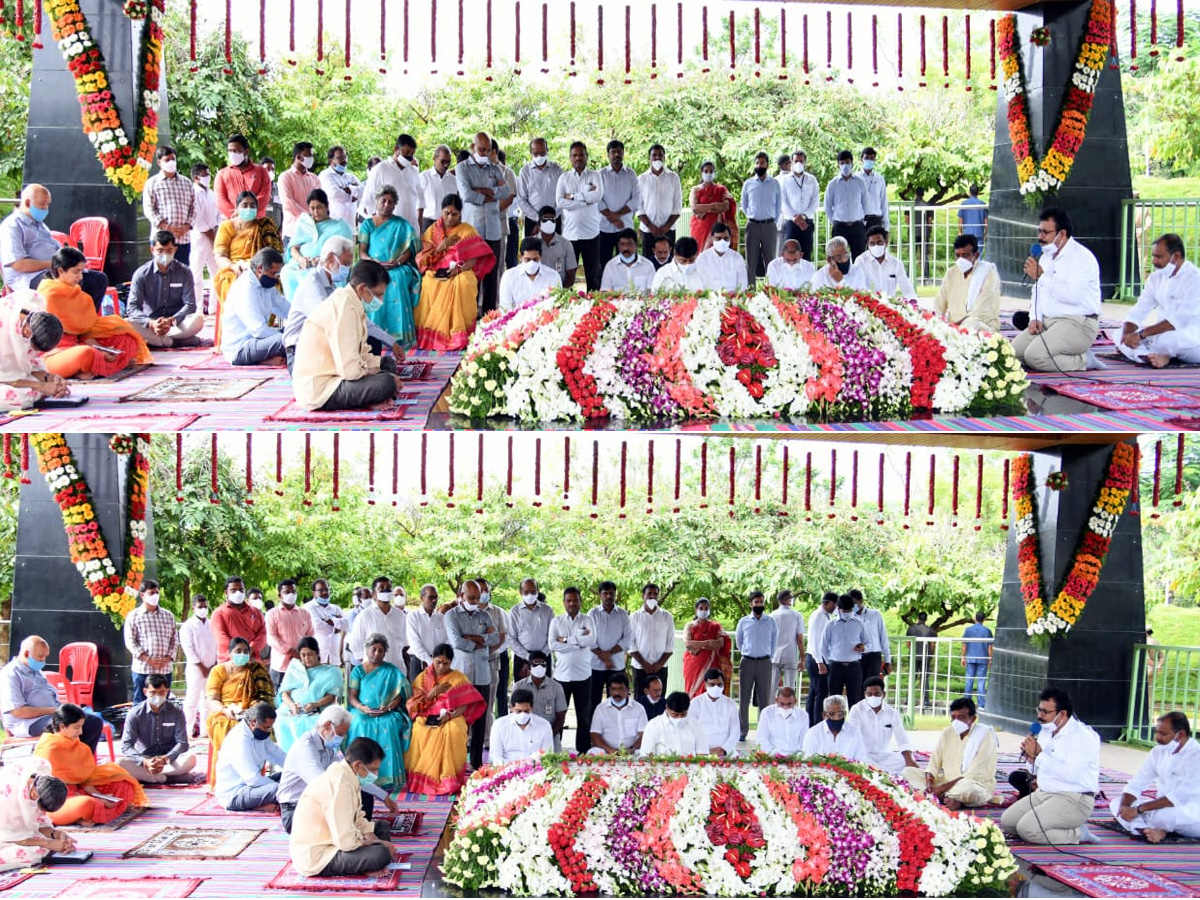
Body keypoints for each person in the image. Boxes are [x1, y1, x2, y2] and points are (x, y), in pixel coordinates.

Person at [293, 261, 402, 413]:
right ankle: (371, 399)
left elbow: (362, 352)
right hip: (322, 389)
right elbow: (350, 370)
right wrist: (377, 374)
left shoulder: (351, 302)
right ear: (362, 288)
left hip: (337, 375)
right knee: (387, 383)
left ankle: (373, 396)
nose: (381, 300)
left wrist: (377, 368)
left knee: (387, 364)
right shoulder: (345, 308)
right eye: (378, 294)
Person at [1001, 687, 1101, 845]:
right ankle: (1057, 827)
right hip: (1045, 792)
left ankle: (1077, 833)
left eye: (1045, 712)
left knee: (1027, 829)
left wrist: (1039, 756)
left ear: (1062, 714)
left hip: (1074, 798)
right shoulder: (1046, 731)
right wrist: (1030, 758)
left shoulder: (1083, 737)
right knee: (1008, 822)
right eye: (1039, 710)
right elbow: (1038, 768)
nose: (1039, 716)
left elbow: (1070, 775)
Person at [38, 247, 153, 379]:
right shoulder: (47, 295)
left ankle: (88, 368)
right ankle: (92, 366)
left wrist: (101, 349)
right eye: (76, 272)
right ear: (60, 271)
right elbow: (44, 341)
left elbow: (85, 332)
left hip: (79, 344)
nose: (80, 277)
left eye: (82, 271)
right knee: (85, 354)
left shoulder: (81, 296)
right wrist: (92, 350)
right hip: (54, 352)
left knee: (127, 339)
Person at [289, 736, 396, 877]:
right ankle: (367, 865)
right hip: (319, 855)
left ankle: (368, 862)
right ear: (358, 765)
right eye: (372, 769)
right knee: (380, 853)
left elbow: (357, 818)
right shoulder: (341, 785)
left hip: (334, 838)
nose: (375, 774)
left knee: (381, 826)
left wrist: (374, 839)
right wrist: (373, 843)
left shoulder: (346, 774)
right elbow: (346, 841)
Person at [278, 705, 394, 834]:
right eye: (340, 734)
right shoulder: (305, 748)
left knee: (362, 793)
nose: (342, 738)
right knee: (345, 799)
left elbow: (350, 773)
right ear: (327, 725)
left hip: (318, 803)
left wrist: (384, 797)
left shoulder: (327, 747)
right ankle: (353, 834)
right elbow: (321, 786)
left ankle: (358, 831)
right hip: (297, 810)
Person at [1013, 207, 1103, 373]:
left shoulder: (1082, 258)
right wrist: (1035, 318)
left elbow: (1073, 296)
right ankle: (1060, 354)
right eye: (1039, 231)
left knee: (1035, 357)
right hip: (1048, 321)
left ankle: (1084, 360)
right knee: (1012, 356)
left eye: (1045, 233)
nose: (1040, 237)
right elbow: (1037, 292)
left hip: (1078, 323)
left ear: (1062, 234)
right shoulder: (1047, 256)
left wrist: (1042, 276)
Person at [35, 704, 147, 826]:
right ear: (62, 726)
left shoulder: (78, 745)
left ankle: (90, 813)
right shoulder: (48, 749)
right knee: (86, 804)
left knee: (124, 785)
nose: (81, 732)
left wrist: (100, 796)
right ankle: (87, 813)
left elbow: (85, 779)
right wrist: (91, 798)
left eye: (81, 727)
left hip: (81, 792)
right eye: (77, 728)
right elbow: (44, 792)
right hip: (58, 801)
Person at [1, 184, 108, 306]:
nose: (46, 208)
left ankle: (85, 319)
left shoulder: (40, 225)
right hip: (29, 278)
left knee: (98, 279)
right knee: (70, 280)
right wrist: (54, 264)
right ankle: (66, 321)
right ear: (27, 202)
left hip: (55, 269)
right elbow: (18, 264)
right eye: (42, 204)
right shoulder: (12, 226)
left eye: (48, 204)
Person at [414, 194, 497, 350]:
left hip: (460, 270)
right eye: (447, 213)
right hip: (437, 270)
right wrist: (442, 246)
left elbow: (474, 259)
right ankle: (435, 336)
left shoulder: (467, 230)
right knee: (428, 282)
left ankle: (460, 333)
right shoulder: (433, 230)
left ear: (461, 214)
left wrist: (458, 270)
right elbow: (424, 259)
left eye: (454, 214)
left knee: (464, 282)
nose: (450, 217)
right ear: (441, 211)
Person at [283, 235, 376, 374]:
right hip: (302, 352)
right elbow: (328, 322)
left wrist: (391, 342)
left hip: (322, 345)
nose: (347, 268)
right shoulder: (312, 285)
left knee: (373, 343)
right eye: (346, 263)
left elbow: (357, 316)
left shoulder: (331, 286)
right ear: (332, 258)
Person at [405, 644, 486, 794]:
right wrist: (433, 693)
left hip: (451, 716)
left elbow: (465, 705)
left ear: (451, 662)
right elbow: (413, 705)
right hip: (426, 715)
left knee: (454, 730)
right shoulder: (422, 678)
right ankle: (425, 781)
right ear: (432, 660)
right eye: (438, 662)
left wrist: (449, 715)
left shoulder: (458, 678)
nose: (441, 666)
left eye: (446, 663)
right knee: (419, 728)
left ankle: (449, 780)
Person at [2, 636, 103, 752]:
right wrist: (53, 710)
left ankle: (81, 762)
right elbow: (18, 711)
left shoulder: (36, 672)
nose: (43, 661)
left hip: (51, 715)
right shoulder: (10, 674)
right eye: (40, 657)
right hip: (29, 723)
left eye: (45, 657)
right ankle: (71, 763)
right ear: (26, 654)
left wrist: (65, 708)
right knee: (73, 724)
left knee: (93, 721)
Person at [1111, 711, 1200, 842]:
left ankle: (1147, 827)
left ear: (1180, 734)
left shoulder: (1196, 756)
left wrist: (1138, 810)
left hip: (1190, 813)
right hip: (1159, 808)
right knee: (1116, 803)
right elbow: (1138, 782)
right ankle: (1146, 830)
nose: (1157, 737)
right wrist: (1125, 807)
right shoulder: (1158, 751)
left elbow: (1178, 797)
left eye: (1163, 734)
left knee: (1164, 817)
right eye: (1156, 732)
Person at [212, 191, 283, 347]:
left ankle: (266, 331)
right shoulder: (227, 227)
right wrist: (234, 266)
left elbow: (273, 253)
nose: (249, 208)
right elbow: (220, 256)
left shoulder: (264, 226)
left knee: (273, 282)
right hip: (233, 269)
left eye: (252, 205)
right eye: (245, 205)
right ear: (236, 208)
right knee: (229, 284)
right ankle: (237, 337)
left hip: (259, 268)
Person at [1119, 234, 1200, 367]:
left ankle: (1160, 355)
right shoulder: (1156, 277)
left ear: (1177, 257)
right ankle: (1149, 356)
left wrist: (1141, 335)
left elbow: (1178, 321)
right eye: (1153, 256)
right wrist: (1127, 335)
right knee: (1119, 334)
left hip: (1191, 338)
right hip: (1160, 334)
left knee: (1166, 340)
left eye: (1159, 257)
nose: (1153, 261)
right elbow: (1139, 309)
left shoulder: (1194, 279)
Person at [204, 636, 275, 785]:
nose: (242, 654)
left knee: (256, 725)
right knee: (225, 726)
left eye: (245, 651)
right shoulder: (218, 670)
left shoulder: (256, 670)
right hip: (223, 713)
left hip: (251, 712)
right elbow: (212, 699)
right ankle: (225, 781)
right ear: (229, 653)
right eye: (238, 651)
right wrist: (225, 710)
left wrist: (253, 711)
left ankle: (253, 777)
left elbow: (265, 696)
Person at [904, 697, 998, 809]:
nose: (956, 722)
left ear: (973, 718)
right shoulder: (947, 733)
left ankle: (938, 797)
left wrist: (941, 789)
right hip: (945, 783)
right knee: (908, 772)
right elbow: (933, 764)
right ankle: (943, 797)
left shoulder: (984, 736)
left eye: (961, 717)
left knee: (968, 790)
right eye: (953, 717)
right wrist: (929, 786)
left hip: (973, 785)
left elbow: (973, 776)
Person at [443, 580, 499, 769]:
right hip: (462, 675)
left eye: (477, 597)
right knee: (460, 720)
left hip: (483, 674)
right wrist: (482, 640)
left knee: (481, 719)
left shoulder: (484, 615)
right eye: (471, 597)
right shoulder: (451, 616)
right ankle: (458, 762)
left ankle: (476, 763)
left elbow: (495, 638)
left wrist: (473, 637)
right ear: (461, 596)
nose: (475, 601)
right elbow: (456, 642)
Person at [345, 633, 411, 790]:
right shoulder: (358, 671)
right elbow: (352, 696)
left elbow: (399, 696)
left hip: (387, 712)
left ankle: (389, 779)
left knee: (389, 723)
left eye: (381, 650)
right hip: (362, 711)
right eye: (373, 649)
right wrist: (362, 708)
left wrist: (387, 708)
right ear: (366, 650)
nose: (376, 653)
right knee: (358, 723)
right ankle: (360, 776)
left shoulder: (392, 670)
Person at [358, 185, 422, 347]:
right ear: (377, 202)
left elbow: (410, 249)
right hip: (372, 267)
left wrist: (399, 261)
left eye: (391, 202)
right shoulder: (367, 224)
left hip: (397, 267)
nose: (386, 204)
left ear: (395, 205)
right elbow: (362, 252)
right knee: (374, 282)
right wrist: (374, 263)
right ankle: (374, 335)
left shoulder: (402, 224)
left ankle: (400, 337)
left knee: (396, 278)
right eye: (383, 200)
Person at [456, 133, 510, 313]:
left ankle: (489, 316)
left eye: (488, 150)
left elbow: (506, 191)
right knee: (472, 275)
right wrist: (489, 195)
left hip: (494, 229)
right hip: (473, 230)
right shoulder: (462, 168)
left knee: (492, 274)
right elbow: (466, 195)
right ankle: (471, 315)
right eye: (481, 149)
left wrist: (484, 190)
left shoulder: (494, 168)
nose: (485, 153)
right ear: (473, 147)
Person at [126, 231, 206, 348]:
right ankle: (174, 342)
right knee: (126, 323)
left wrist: (171, 321)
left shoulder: (184, 272)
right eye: (160, 251)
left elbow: (190, 305)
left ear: (175, 250)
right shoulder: (141, 274)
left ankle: (157, 341)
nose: (165, 254)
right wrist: (151, 323)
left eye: (169, 250)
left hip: (176, 325)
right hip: (151, 324)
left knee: (198, 319)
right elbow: (132, 307)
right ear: (152, 250)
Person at [117, 673, 197, 784]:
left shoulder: (176, 711)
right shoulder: (135, 713)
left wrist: (165, 759)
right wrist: (145, 762)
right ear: (145, 692)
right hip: (145, 759)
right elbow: (126, 745)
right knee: (120, 763)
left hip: (169, 760)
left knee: (190, 759)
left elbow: (183, 743)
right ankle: (167, 778)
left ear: (167, 691)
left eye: (161, 693)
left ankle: (150, 777)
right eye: (153, 693)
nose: (157, 697)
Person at [0, 291, 69, 412]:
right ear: (27, 332)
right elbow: (4, 377)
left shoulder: (34, 309)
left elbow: (25, 367)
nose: (33, 352)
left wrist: (49, 378)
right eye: (35, 348)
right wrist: (41, 386)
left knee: (33, 390)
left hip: (11, 379)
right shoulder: (4, 329)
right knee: (12, 397)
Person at [0, 757, 73, 871]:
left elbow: (37, 821)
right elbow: (7, 836)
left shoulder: (41, 772)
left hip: (14, 831)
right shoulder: (7, 799)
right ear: (34, 795)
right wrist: (48, 843)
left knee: (42, 847)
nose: (41, 812)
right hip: (4, 832)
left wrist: (55, 834)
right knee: (28, 854)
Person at [281, 189, 354, 302]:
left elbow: (346, 253)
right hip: (301, 264)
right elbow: (293, 248)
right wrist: (301, 260)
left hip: (327, 264)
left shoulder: (340, 226)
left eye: (319, 207)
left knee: (314, 278)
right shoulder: (305, 223)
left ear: (326, 207)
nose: (316, 212)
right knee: (287, 273)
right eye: (312, 208)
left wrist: (320, 261)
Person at [219, 247, 288, 366]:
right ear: (260, 269)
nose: (276, 277)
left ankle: (265, 358)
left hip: (261, 335)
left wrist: (294, 323)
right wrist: (288, 333)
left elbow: (283, 308)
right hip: (241, 347)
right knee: (287, 339)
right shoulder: (245, 288)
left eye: (278, 274)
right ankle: (262, 359)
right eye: (273, 273)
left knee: (294, 328)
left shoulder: (266, 285)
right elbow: (259, 329)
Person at [275, 636, 344, 752]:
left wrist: (315, 704)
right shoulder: (295, 668)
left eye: (310, 654)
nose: (306, 658)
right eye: (303, 655)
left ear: (317, 653)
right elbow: (284, 693)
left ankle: (313, 759)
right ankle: (289, 760)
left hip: (316, 712)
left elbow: (331, 696)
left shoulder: (330, 671)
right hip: (290, 711)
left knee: (312, 725)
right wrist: (292, 705)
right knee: (281, 722)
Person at [548, 586, 596, 754]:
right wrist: (577, 643)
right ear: (564, 602)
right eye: (569, 600)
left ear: (580, 601)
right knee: (559, 714)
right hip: (561, 676)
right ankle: (556, 749)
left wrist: (566, 640)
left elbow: (591, 640)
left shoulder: (588, 620)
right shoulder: (556, 621)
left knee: (583, 716)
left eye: (575, 600)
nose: (572, 603)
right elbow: (552, 644)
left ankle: (583, 750)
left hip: (583, 675)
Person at [214, 701, 286, 811]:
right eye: (267, 727)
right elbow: (253, 779)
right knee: (279, 788)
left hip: (252, 788)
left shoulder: (260, 734)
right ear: (253, 722)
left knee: (287, 776)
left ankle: (261, 805)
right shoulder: (239, 740)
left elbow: (278, 756)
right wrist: (285, 787)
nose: (269, 732)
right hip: (235, 793)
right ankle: (258, 806)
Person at [556, 141, 604, 291]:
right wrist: (584, 199)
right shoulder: (564, 178)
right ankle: (568, 308)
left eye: (581, 155)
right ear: (570, 158)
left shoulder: (595, 175)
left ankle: (594, 308)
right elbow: (560, 202)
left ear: (586, 157)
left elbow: (597, 196)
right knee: (568, 275)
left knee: (593, 275)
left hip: (591, 233)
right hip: (571, 234)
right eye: (574, 155)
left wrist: (572, 196)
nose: (578, 158)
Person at [123, 579, 179, 704]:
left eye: (157, 592)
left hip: (164, 669)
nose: (155, 596)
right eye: (151, 593)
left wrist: (168, 658)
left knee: (163, 703)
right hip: (143, 668)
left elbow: (175, 640)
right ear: (142, 595)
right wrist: (147, 659)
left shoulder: (168, 616)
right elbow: (130, 641)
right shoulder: (134, 616)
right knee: (140, 703)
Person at [847, 676, 916, 775]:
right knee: (855, 762)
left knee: (906, 760)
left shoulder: (892, 712)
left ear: (884, 694)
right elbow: (852, 736)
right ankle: (882, 772)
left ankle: (877, 771)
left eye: (877, 694)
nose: (873, 697)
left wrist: (909, 761)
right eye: (869, 694)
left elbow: (902, 738)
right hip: (864, 756)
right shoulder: (857, 710)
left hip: (886, 757)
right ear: (865, 695)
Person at [933, 234, 1001, 332]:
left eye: (965, 255)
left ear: (976, 255)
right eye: (957, 255)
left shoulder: (988, 273)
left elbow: (979, 311)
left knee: (971, 325)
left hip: (982, 325)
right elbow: (939, 302)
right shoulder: (951, 273)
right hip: (953, 327)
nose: (961, 259)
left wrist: (955, 327)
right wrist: (937, 321)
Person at [142, 145, 196, 265]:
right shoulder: (152, 183)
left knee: (182, 274)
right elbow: (149, 209)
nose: (171, 162)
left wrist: (187, 226)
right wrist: (167, 227)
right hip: (161, 241)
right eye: (167, 160)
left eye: (173, 159)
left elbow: (194, 207)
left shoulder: (186, 182)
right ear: (159, 162)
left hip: (183, 239)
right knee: (162, 274)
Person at [736, 591, 778, 740]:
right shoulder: (743, 621)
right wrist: (747, 653)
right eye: (756, 602)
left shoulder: (771, 622)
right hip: (747, 662)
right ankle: (742, 730)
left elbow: (774, 642)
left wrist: (767, 657)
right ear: (751, 604)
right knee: (744, 697)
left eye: (761, 602)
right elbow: (739, 642)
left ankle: (763, 731)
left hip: (765, 663)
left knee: (764, 698)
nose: (759, 604)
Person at [360, 134, 421, 231]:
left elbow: (420, 201)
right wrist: (378, 225)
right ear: (396, 149)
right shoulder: (381, 169)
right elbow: (368, 200)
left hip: (410, 229)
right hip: (387, 229)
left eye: (412, 154)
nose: (409, 157)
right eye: (406, 153)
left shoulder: (413, 172)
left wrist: (419, 227)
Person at [510, 649, 568, 751]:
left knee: (554, 763)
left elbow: (561, 716)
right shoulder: (519, 686)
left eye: (543, 664)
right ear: (528, 667)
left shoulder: (556, 687)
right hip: (525, 734)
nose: (539, 667)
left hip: (550, 734)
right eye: (535, 664)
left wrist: (548, 735)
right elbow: (513, 713)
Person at [588, 581, 632, 713]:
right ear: (600, 595)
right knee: (593, 701)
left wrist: (610, 653)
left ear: (615, 595)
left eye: (611, 593)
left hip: (616, 665)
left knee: (616, 699)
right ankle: (593, 731)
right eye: (605, 593)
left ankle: (614, 731)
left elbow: (628, 639)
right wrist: (603, 656)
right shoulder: (592, 613)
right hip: (595, 665)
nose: (608, 596)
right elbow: (588, 638)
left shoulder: (623, 614)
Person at [346, 578, 409, 670]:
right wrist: (370, 664)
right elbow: (356, 645)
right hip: (373, 672)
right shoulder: (364, 616)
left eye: (388, 588)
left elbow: (404, 642)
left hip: (397, 670)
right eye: (381, 588)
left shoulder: (400, 615)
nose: (386, 590)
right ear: (374, 594)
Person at [597, 139, 641, 264]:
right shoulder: (600, 174)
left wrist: (618, 215)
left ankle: (627, 284)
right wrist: (611, 217)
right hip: (605, 227)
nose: (616, 155)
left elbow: (637, 198)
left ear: (623, 153)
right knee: (603, 261)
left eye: (619, 152)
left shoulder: (631, 174)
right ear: (608, 155)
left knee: (627, 262)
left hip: (625, 226)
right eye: (613, 152)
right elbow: (596, 199)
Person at [265, 579, 315, 691]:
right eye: (287, 592)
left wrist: (304, 653)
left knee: (300, 697)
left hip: (302, 664)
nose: (291, 595)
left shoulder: (305, 613)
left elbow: (310, 635)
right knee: (277, 699)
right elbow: (271, 638)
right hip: (280, 667)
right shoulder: (271, 614)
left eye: (293, 591)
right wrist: (292, 651)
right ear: (279, 595)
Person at [820, 594, 867, 708]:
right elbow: (823, 646)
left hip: (854, 666)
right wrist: (829, 662)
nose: (847, 613)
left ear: (853, 609)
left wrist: (864, 648)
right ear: (838, 609)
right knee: (834, 699)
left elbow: (868, 642)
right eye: (844, 610)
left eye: (849, 610)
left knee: (855, 699)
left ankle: (854, 724)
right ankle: (835, 724)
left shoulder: (859, 623)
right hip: (835, 666)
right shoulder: (830, 625)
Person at [180, 594, 217, 738]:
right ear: (193, 608)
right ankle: (187, 731)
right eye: (200, 607)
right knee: (192, 700)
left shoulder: (211, 623)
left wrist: (213, 664)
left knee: (208, 699)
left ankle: (205, 731)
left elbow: (216, 645)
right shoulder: (187, 626)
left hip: (212, 667)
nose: (203, 609)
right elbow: (188, 649)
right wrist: (201, 666)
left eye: (205, 607)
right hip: (195, 668)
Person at [741, 151, 781, 283]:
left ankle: (770, 291)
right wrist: (752, 217)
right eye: (757, 163)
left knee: (770, 261)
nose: (759, 165)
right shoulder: (748, 183)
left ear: (767, 165)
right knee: (751, 261)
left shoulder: (775, 183)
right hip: (752, 226)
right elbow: (744, 204)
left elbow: (778, 206)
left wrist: (772, 222)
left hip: (769, 226)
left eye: (762, 163)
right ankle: (751, 292)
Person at [637, 144, 682, 259]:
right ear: (649, 158)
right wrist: (651, 226)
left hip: (668, 230)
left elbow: (677, 207)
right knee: (648, 263)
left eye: (660, 155)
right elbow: (638, 207)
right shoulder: (641, 179)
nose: (657, 158)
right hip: (648, 231)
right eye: (654, 155)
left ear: (664, 158)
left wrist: (666, 227)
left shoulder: (673, 178)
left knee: (668, 264)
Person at [630, 582, 674, 698]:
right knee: (640, 699)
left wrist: (659, 664)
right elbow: (630, 644)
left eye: (655, 594)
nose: (652, 596)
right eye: (649, 593)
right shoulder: (634, 617)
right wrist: (644, 664)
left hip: (660, 667)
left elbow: (670, 645)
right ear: (643, 596)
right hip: (640, 667)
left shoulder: (666, 617)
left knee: (658, 699)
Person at [214, 133, 272, 220]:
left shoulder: (261, 172)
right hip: (232, 223)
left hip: (256, 222)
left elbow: (264, 196)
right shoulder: (222, 174)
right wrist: (236, 215)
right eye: (230, 151)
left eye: (236, 151)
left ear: (246, 152)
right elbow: (220, 199)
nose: (232, 154)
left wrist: (249, 213)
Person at [586, 673, 647, 755]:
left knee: (644, 752)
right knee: (593, 752)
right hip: (607, 751)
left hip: (632, 751)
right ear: (609, 690)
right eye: (614, 689)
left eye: (620, 689)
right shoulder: (600, 709)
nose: (617, 693)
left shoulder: (639, 709)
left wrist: (631, 748)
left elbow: (643, 735)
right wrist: (610, 750)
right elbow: (595, 735)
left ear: (628, 690)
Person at [210, 576, 268, 663]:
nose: (238, 593)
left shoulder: (255, 612)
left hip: (253, 662)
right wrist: (241, 653)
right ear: (226, 592)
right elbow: (221, 638)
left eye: (241, 590)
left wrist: (250, 650)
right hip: (229, 664)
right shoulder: (218, 613)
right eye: (233, 590)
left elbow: (262, 634)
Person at [850, 227, 917, 300]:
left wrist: (914, 304)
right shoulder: (861, 261)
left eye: (879, 242)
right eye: (872, 243)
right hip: (868, 305)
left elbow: (907, 289)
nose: (876, 246)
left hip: (890, 306)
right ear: (867, 245)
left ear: (886, 242)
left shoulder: (895, 263)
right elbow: (855, 287)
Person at [490, 688, 554, 763]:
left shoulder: (544, 726)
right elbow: (496, 756)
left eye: (526, 711)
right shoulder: (499, 725)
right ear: (511, 708)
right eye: (518, 711)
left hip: (535, 770)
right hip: (506, 769)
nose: (523, 715)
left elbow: (547, 755)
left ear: (532, 708)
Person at [825, 150, 869, 260]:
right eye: (842, 163)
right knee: (839, 258)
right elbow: (828, 206)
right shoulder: (833, 184)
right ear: (838, 164)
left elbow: (865, 203)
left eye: (848, 162)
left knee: (859, 259)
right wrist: (834, 222)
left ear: (852, 163)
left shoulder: (860, 182)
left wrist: (862, 221)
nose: (845, 166)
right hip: (840, 227)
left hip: (857, 226)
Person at [508, 578, 553, 681]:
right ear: (520, 592)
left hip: (544, 657)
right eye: (526, 591)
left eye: (533, 591)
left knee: (545, 691)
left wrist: (541, 655)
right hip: (522, 658)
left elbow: (552, 636)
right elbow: (511, 638)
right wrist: (528, 656)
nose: (530, 594)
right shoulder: (514, 612)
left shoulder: (547, 610)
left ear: (537, 591)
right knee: (523, 693)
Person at [779, 150, 820, 261]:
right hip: (790, 223)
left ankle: (806, 279)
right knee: (789, 255)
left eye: (801, 161)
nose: (798, 163)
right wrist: (795, 218)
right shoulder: (784, 180)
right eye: (796, 161)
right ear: (791, 162)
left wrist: (804, 217)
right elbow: (782, 201)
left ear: (805, 162)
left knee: (806, 254)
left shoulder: (812, 180)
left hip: (807, 222)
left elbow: (815, 201)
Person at [639, 691, 710, 755]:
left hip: (689, 768)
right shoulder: (653, 725)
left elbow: (702, 753)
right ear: (666, 707)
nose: (679, 718)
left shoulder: (695, 725)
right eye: (675, 715)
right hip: (662, 767)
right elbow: (646, 755)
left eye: (683, 715)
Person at [190, 163, 221, 311]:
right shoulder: (193, 193)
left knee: (217, 273)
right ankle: (197, 308)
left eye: (208, 174)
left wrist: (216, 230)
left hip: (214, 235)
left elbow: (218, 214)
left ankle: (213, 308)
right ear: (196, 177)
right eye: (205, 174)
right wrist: (209, 233)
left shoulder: (211, 193)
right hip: (199, 237)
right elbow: (196, 218)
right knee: (196, 275)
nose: (208, 177)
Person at [277, 142, 321, 246]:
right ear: (298, 157)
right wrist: (309, 216)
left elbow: (321, 200)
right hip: (293, 232)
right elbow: (288, 203)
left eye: (311, 156)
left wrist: (316, 216)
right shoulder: (285, 177)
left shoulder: (314, 178)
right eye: (308, 155)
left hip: (313, 232)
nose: (311, 158)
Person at [689, 161, 738, 253]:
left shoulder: (721, 189)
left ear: (715, 173)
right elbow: (695, 208)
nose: (708, 173)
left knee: (716, 255)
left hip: (717, 228)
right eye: (706, 171)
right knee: (699, 255)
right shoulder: (695, 190)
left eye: (711, 171)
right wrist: (714, 206)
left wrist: (704, 209)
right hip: (700, 228)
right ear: (701, 173)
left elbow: (726, 206)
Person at [499, 238, 561, 310]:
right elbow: (505, 308)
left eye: (535, 259)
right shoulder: (509, 277)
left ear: (541, 257)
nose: (531, 263)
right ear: (521, 257)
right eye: (527, 260)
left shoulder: (553, 276)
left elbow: (558, 306)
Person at [517, 138, 563, 237]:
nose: (539, 156)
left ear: (547, 150)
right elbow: (521, 199)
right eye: (536, 153)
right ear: (530, 152)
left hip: (554, 219)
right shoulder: (525, 171)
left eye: (542, 153)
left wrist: (552, 216)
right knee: (533, 251)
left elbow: (562, 196)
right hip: (532, 220)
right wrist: (537, 217)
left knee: (556, 250)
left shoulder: (557, 170)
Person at [690, 669, 740, 757]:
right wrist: (707, 750)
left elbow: (735, 732)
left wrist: (724, 749)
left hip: (726, 752)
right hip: (701, 752)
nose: (716, 688)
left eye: (719, 684)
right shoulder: (695, 703)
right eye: (712, 685)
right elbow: (690, 732)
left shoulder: (731, 704)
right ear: (705, 685)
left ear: (724, 685)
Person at [805, 592, 837, 727]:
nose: (835, 608)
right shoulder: (818, 616)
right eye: (834, 605)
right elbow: (815, 641)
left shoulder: (824, 616)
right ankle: (817, 723)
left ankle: (810, 722)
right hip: (816, 658)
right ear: (829, 603)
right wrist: (819, 662)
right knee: (820, 693)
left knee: (814, 692)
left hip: (819, 658)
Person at [405, 585, 447, 683]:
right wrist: (429, 661)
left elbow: (446, 641)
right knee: (418, 696)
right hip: (419, 662)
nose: (434, 600)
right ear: (421, 598)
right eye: (431, 597)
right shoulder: (413, 617)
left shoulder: (441, 618)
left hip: (439, 662)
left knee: (438, 695)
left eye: (436, 597)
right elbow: (415, 643)